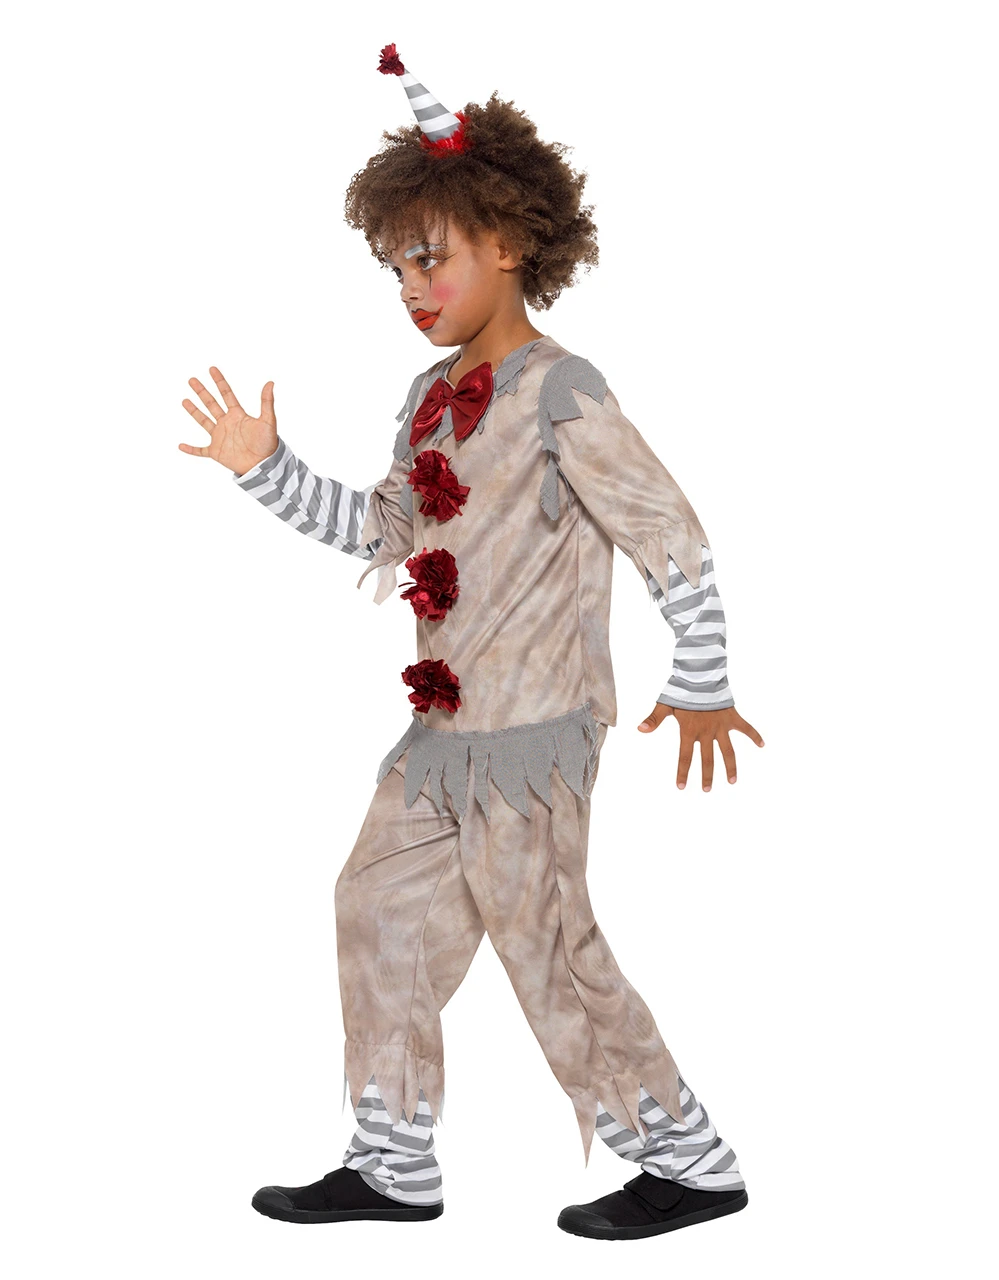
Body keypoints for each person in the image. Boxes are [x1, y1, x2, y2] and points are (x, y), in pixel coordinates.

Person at [179, 44, 764, 1241]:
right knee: (375, 904)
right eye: (395, 263)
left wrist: (701, 677)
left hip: (532, 740)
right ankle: (392, 1159)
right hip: (442, 734)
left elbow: (668, 530)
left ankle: (689, 1159)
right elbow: (382, 529)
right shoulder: (427, 400)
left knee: (548, 944)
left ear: (508, 242)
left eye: (430, 255)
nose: (409, 283)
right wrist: (266, 469)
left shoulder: (561, 390)